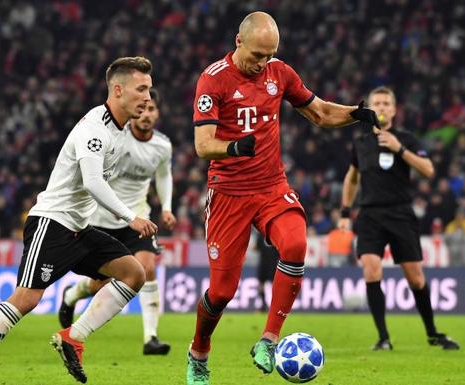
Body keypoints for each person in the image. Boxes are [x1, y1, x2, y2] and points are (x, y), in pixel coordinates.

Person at [186, 11, 380, 385]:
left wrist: (355, 114)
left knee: (294, 243)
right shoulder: (213, 81)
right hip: (228, 193)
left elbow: (321, 113)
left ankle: (269, 339)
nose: (263, 63)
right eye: (258, 55)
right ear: (238, 42)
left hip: (272, 186)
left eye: (270, 55)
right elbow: (202, 145)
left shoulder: (280, 72)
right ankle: (198, 354)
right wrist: (234, 148)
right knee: (222, 292)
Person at [0, 56, 159, 385]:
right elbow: (92, 181)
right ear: (118, 90)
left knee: (134, 273)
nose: (148, 97)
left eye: (150, 89)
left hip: (79, 230)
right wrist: (130, 217)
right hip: (52, 223)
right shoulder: (95, 130)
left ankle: (74, 337)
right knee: (27, 298)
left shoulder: (120, 131)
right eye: (141, 89)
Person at [338, 86, 460, 351]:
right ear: (370, 108)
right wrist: (345, 212)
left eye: (386, 103)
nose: (381, 107)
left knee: (415, 278)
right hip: (369, 214)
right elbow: (352, 177)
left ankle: (432, 333)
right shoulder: (361, 143)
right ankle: (383, 338)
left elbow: (428, 170)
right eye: (377, 103)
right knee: (371, 270)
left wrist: (399, 148)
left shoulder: (407, 139)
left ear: (394, 109)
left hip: (401, 213)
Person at [58, 89, 175, 355]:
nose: (146, 115)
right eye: (143, 109)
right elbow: (94, 175)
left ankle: (151, 338)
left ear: (158, 113)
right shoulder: (115, 139)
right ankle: (73, 294)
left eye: (152, 110)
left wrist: (166, 207)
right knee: (102, 283)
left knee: (146, 268)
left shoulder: (162, 146)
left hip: (138, 218)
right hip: (101, 219)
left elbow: (164, 176)